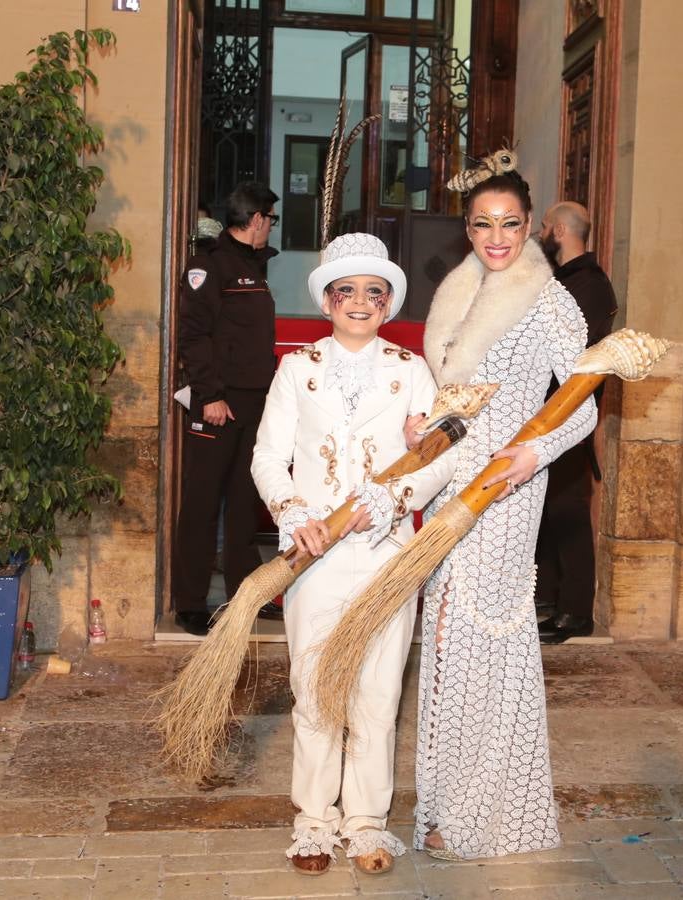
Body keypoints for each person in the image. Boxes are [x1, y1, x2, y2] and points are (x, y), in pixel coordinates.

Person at [410, 150, 597, 860]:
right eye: (484, 224)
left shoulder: (549, 299)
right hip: (456, 483)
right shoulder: (458, 292)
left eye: (511, 224)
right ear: (467, 226)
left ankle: (488, 814)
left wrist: (531, 456)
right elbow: (454, 400)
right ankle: (442, 806)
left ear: (531, 229)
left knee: (487, 646)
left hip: (510, 492)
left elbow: (581, 405)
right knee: (448, 643)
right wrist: (424, 430)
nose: (497, 237)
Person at [251, 233, 455, 876]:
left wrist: (397, 499)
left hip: (386, 553)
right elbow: (267, 456)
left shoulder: (410, 368)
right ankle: (313, 821)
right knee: (313, 687)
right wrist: (293, 514)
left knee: (375, 689)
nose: (360, 302)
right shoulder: (298, 368)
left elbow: (436, 459)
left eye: (373, 291)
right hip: (314, 554)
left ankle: (366, 822)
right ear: (328, 301)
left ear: (389, 301)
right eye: (347, 291)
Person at [172, 182, 280, 635]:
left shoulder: (253, 268)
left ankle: (243, 597)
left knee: (242, 503)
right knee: (201, 503)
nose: (271, 226)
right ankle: (191, 603)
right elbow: (193, 335)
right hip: (218, 403)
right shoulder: (208, 267)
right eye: (270, 218)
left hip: (253, 403)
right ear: (255, 219)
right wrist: (210, 394)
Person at [534, 201, 617, 643]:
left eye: (545, 226)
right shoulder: (565, 281)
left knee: (568, 511)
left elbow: (572, 358)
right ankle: (547, 597)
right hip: (547, 412)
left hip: (568, 413)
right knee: (548, 509)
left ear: (561, 230)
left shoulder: (589, 285)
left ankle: (575, 612)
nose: (542, 233)